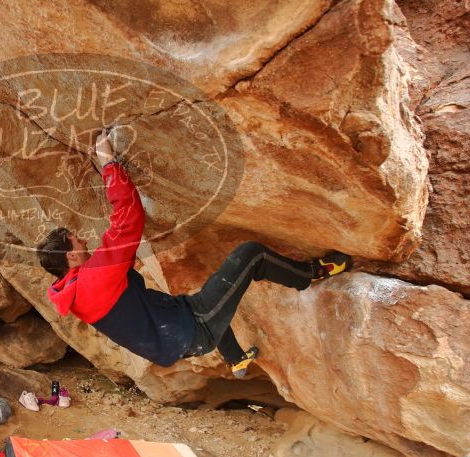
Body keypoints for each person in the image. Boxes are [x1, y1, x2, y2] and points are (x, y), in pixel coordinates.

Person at [37, 131, 352, 377]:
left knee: (211, 295)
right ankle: (311, 274)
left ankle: (236, 360)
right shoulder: (93, 281)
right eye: (76, 242)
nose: (82, 240)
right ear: (71, 259)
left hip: (178, 329)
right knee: (250, 256)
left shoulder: (74, 290)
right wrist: (108, 162)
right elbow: (128, 220)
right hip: (193, 330)